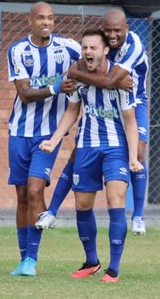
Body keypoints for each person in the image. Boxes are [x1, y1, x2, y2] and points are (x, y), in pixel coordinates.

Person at [40, 28, 143, 283]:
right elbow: (72, 111)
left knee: (115, 200)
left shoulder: (121, 79)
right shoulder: (79, 78)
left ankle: (114, 269)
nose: (88, 52)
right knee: (82, 204)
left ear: (106, 50)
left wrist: (132, 156)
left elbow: (130, 121)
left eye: (93, 47)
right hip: (86, 146)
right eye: (85, 47)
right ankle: (91, 261)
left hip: (115, 147)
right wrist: (54, 140)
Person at [37, 8, 150, 235]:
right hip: (101, 106)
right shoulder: (97, 45)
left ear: (126, 28)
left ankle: (138, 215)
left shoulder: (134, 46)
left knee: (136, 151)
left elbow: (110, 80)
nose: (112, 35)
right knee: (78, 153)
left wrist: (76, 74)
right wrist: (74, 73)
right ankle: (52, 211)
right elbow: (99, 77)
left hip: (133, 102)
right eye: (107, 30)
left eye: (117, 30)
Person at [6, 2, 81, 277]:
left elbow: (92, 58)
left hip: (49, 134)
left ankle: (32, 260)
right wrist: (57, 87)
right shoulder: (17, 50)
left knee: (36, 189)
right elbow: (24, 94)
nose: (46, 22)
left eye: (50, 18)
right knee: (22, 195)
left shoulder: (68, 47)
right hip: (19, 132)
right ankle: (23, 258)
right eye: (40, 18)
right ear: (30, 21)